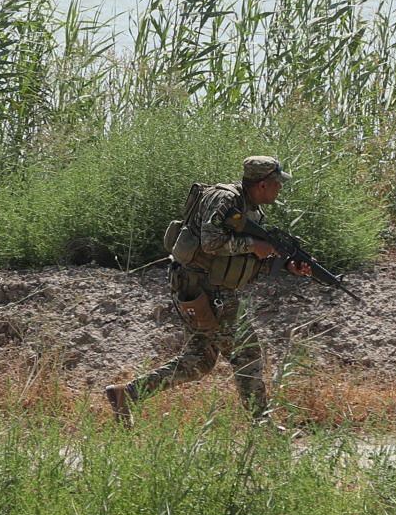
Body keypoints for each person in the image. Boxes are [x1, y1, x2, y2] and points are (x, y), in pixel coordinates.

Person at [104, 155, 312, 426]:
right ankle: (262, 425)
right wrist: (252, 245)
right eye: (277, 184)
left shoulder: (251, 209)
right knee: (246, 352)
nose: (279, 189)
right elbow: (211, 243)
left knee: (199, 361)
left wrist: (287, 266)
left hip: (211, 286)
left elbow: (242, 260)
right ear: (262, 184)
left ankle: (126, 394)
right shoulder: (224, 199)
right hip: (203, 287)